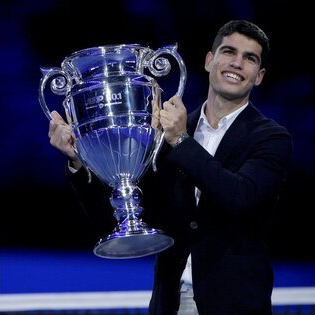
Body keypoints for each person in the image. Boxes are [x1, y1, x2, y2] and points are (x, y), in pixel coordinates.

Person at [47, 20, 293, 315]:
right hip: (170, 304)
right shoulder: (166, 135)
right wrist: (78, 158)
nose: (237, 63)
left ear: (259, 76)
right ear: (209, 60)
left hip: (234, 305)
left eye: (249, 58)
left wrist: (181, 140)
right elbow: (115, 219)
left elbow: (239, 197)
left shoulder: (270, 137)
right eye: (229, 52)